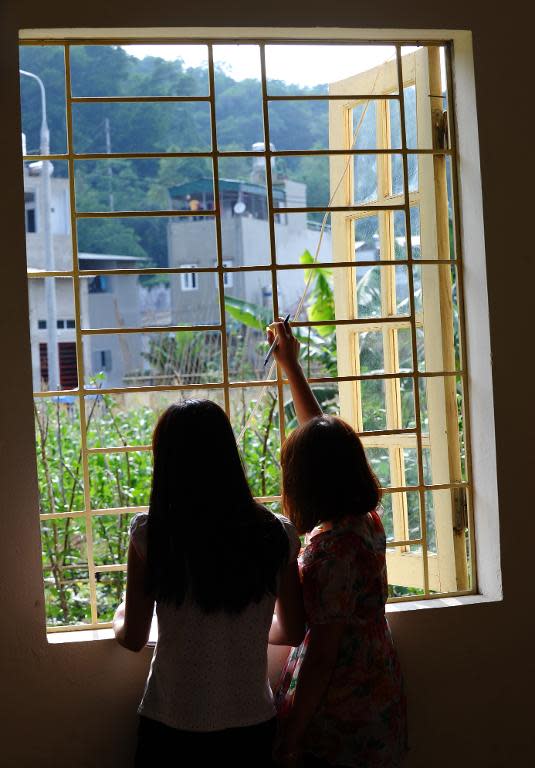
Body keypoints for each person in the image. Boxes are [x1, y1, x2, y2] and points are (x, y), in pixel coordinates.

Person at [112, 399, 305, 767]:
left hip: (170, 721)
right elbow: (294, 629)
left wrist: (119, 615)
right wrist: (245, 628)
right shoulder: (276, 534)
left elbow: (134, 637)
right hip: (251, 723)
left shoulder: (152, 535)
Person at [267, 319, 408, 768]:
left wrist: (292, 734)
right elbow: (324, 441)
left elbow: (323, 655)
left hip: (339, 708)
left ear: (304, 482)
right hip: (375, 683)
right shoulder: (364, 523)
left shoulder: (329, 552)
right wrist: (291, 366)